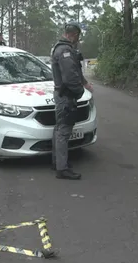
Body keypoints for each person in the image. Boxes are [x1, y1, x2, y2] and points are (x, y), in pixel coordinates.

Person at [50, 22, 93, 180]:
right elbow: (70, 77)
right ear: (73, 34)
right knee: (64, 131)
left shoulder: (64, 49)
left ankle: (57, 162)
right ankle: (62, 168)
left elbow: (75, 71)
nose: (78, 40)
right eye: (77, 36)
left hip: (63, 95)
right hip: (66, 96)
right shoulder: (64, 50)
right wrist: (80, 91)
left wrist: (85, 83)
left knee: (60, 128)